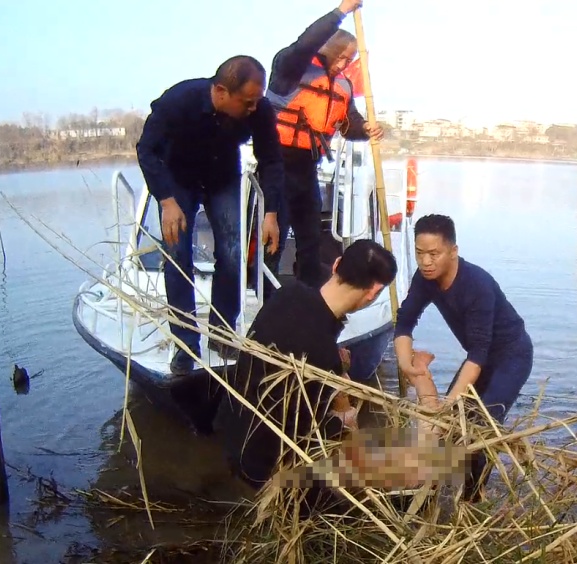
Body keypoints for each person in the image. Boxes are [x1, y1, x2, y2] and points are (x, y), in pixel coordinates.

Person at [215, 239, 397, 512]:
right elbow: (346, 434)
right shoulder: (324, 359)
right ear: (373, 292)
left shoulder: (286, 294)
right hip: (265, 471)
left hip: (232, 437)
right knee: (355, 505)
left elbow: (299, 339)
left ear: (336, 265)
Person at [136, 55, 285, 376]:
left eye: (255, 101)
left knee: (232, 253)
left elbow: (271, 159)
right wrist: (165, 200)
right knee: (177, 256)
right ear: (220, 92)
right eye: (246, 102)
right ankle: (186, 344)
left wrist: (270, 211)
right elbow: (145, 150)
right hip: (178, 181)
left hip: (222, 178)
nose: (252, 108)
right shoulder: (178, 101)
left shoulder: (258, 109)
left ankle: (221, 333)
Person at [392, 214, 534, 503]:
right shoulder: (425, 279)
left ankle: (474, 496)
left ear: (453, 251)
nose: (426, 262)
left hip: (511, 356)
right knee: (451, 427)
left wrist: (449, 404)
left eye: (434, 254)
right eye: (419, 253)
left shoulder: (477, 285)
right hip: (477, 358)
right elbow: (404, 321)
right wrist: (408, 366)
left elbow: (479, 353)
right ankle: (433, 488)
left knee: (477, 425)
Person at [262, 0, 385, 299]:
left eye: (350, 59)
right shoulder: (292, 67)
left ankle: (307, 299)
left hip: (307, 168)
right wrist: (341, 11)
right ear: (328, 48)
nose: (344, 63)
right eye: (342, 56)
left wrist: (366, 129)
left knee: (310, 240)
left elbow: (348, 124)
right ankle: (265, 298)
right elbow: (307, 41)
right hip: (276, 163)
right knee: (272, 240)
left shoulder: (342, 86)